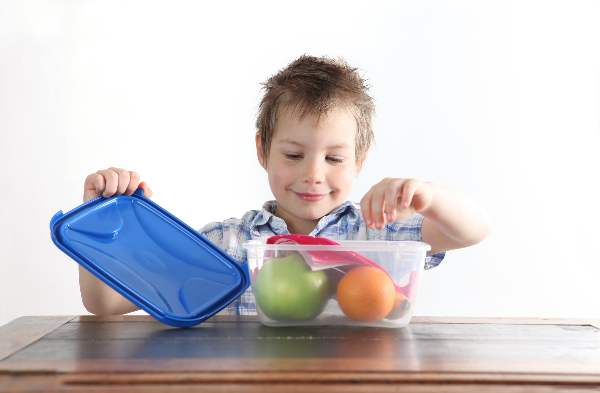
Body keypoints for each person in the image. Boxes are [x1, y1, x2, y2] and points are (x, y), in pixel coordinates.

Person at [78, 55, 491, 316]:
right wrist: (100, 222)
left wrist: (430, 197)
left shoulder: (377, 231)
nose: (313, 174)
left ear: (360, 161)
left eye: (334, 158)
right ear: (263, 151)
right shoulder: (228, 242)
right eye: (294, 155)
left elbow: (472, 231)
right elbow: (105, 304)